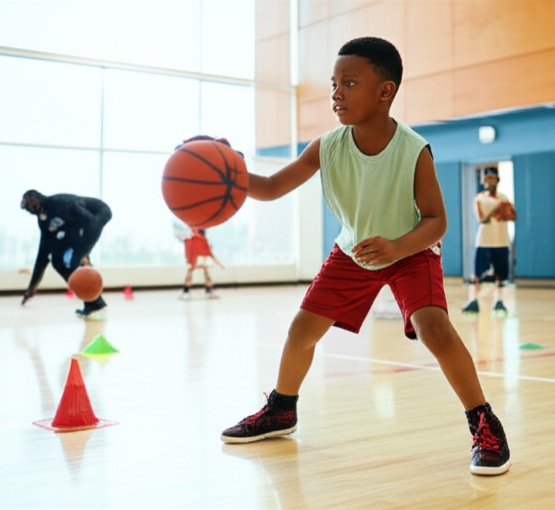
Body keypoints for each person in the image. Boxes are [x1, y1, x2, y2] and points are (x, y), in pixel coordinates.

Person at [218, 36, 511, 476]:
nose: (336, 92)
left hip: (409, 248)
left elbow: (436, 221)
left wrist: (396, 247)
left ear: (385, 91)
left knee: (435, 329)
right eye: (334, 83)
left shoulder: (414, 150)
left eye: (349, 82)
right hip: (354, 250)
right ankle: (282, 409)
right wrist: (228, 168)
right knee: (301, 331)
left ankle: (484, 424)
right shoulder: (326, 146)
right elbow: (272, 188)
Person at [20, 190, 112, 320]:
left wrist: (84, 253)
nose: (27, 206)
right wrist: (32, 287)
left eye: (29, 201)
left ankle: (95, 304)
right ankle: (91, 303)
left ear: (38, 198)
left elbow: (89, 221)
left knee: (74, 262)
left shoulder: (60, 203)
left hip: (97, 214)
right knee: (57, 261)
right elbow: (43, 254)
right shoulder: (44, 222)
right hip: (77, 227)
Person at [462, 166, 516, 315]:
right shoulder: (479, 198)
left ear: (497, 180)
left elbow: (513, 216)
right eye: (487, 179)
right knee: (477, 273)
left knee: (501, 274)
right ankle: (474, 300)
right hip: (484, 240)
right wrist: (497, 210)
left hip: (501, 240)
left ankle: (500, 301)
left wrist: (505, 212)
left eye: (493, 178)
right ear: (484, 181)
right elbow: (482, 219)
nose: (490, 181)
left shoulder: (503, 197)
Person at [177, 227, 224, 300]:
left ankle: (187, 292)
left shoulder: (198, 239)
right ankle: (208, 292)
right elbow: (210, 253)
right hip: (199, 260)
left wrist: (219, 263)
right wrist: (219, 263)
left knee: (193, 273)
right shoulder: (199, 239)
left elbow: (209, 252)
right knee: (204, 274)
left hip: (198, 260)